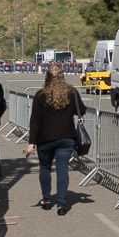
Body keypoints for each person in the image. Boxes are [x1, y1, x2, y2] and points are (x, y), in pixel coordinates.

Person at [27, 63, 84, 215]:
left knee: (45, 168)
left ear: (46, 77)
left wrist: (31, 141)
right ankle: (61, 205)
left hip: (44, 138)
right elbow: (82, 110)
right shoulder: (71, 92)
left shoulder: (40, 95)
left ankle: (46, 200)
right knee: (62, 169)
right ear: (62, 76)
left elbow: (35, 120)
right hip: (66, 137)